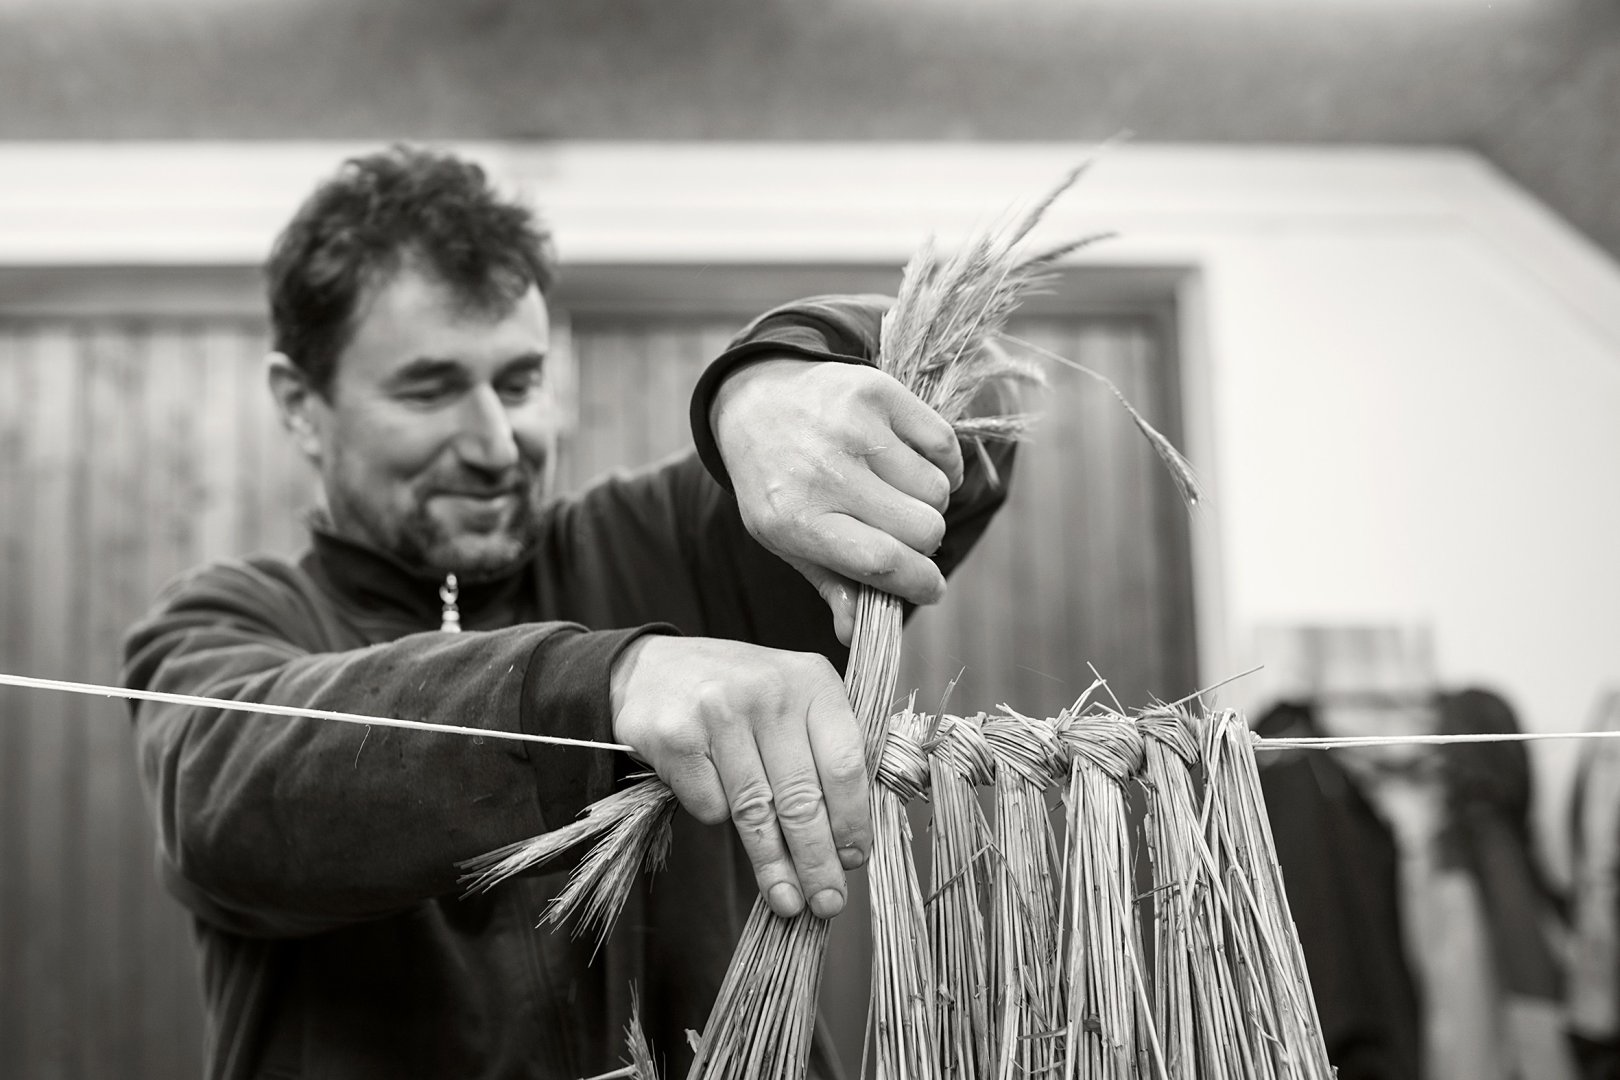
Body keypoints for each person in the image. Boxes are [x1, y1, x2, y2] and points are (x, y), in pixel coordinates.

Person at [120, 144, 1014, 1080]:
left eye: (519, 382)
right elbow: (223, 802)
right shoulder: (226, 621)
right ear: (300, 405)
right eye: (429, 390)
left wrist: (766, 382)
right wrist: (606, 683)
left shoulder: (666, 542)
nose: (496, 443)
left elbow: (982, 393)